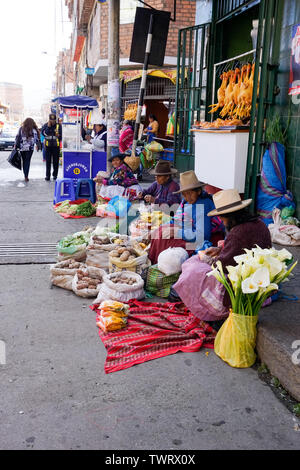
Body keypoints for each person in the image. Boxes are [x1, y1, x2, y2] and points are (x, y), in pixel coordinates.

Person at [173, 189, 272, 327]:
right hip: (260, 276)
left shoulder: (237, 232)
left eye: (222, 217)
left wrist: (205, 258)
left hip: (242, 283)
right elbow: (240, 248)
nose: (221, 220)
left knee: (194, 268)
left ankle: (203, 307)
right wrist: (220, 249)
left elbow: (221, 266)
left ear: (229, 216)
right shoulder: (260, 224)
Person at [148, 170, 215, 264]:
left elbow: (202, 235)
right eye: (185, 194)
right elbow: (175, 221)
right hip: (188, 233)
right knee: (160, 232)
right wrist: (158, 230)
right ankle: (154, 262)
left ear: (198, 191)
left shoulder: (202, 205)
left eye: (190, 193)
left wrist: (177, 232)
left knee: (167, 242)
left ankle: (157, 263)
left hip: (199, 242)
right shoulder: (185, 203)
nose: (188, 197)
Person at [15, 118, 40, 182]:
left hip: (22, 148)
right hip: (30, 148)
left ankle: (25, 175)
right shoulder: (34, 130)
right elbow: (36, 139)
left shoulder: (21, 129)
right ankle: (26, 175)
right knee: (27, 161)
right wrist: (37, 145)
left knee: (24, 161)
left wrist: (16, 145)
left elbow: (18, 137)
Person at [41, 114, 62, 181]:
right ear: (49, 119)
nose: (52, 121)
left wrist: (59, 135)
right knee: (48, 162)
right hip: (48, 146)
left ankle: (55, 175)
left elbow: (61, 135)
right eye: (51, 120)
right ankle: (47, 176)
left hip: (56, 146)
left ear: (55, 120)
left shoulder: (58, 126)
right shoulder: (46, 125)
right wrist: (48, 127)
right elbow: (44, 133)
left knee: (56, 162)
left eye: (53, 120)